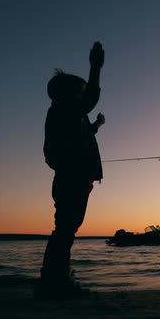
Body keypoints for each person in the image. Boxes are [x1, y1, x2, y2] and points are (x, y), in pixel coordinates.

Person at [36, 41, 106, 299]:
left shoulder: (64, 114)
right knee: (65, 228)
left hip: (72, 177)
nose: (83, 95)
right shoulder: (66, 109)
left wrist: (96, 124)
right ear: (69, 95)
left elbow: (83, 130)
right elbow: (91, 99)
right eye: (80, 91)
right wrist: (96, 66)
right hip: (72, 178)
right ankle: (55, 282)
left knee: (66, 227)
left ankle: (55, 278)